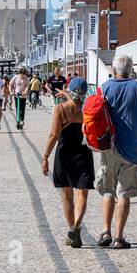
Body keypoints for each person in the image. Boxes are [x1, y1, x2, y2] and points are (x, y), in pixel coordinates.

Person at [95, 54, 137, 250]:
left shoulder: (105, 87)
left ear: (114, 70)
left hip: (109, 147)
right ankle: (119, 237)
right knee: (124, 193)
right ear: (130, 69)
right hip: (134, 149)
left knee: (108, 190)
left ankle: (105, 231)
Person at [42, 84, 95, 248]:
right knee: (83, 194)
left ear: (71, 91)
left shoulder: (60, 109)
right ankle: (76, 228)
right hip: (83, 153)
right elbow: (77, 102)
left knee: (66, 194)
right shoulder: (88, 109)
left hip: (64, 154)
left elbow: (53, 134)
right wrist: (67, 94)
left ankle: (71, 228)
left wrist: (45, 157)